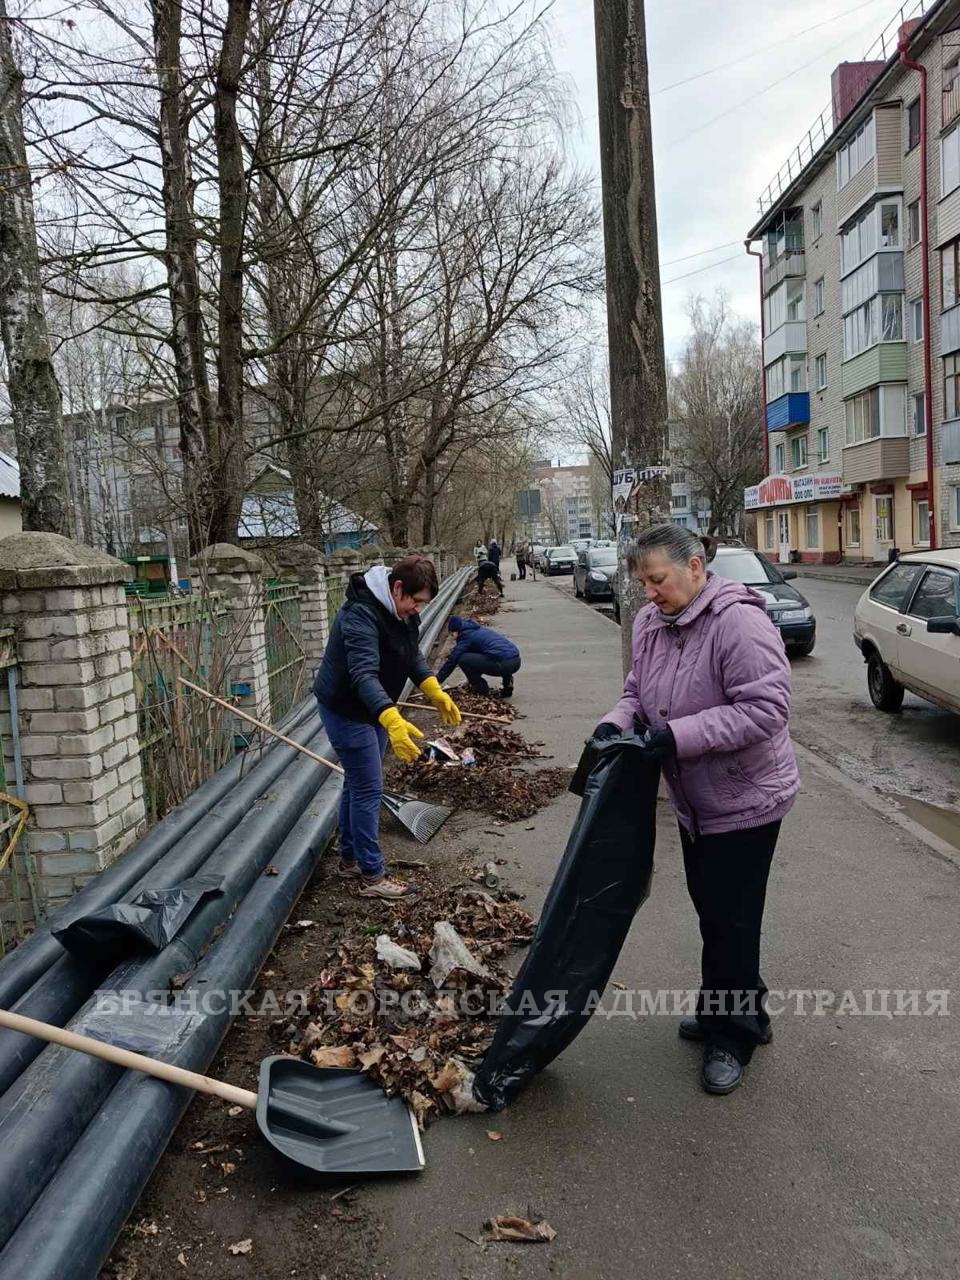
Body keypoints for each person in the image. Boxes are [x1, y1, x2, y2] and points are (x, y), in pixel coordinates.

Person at [593, 524, 799, 1096]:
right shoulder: (650, 623)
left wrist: (676, 736)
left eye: (657, 580)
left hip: (745, 799)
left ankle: (731, 1037)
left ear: (697, 568)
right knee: (714, 911)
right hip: (694, 800)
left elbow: (766, 710)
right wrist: (613, 726)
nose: (649, 593)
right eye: (643, 583)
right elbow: (637, 691)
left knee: (731, 920)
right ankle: (738, 1009)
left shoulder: (738, 621)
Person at [313, 555, 462, 899]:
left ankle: (350, 858)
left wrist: (432, 688)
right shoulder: (360, 616)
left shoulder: (400, 612)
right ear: (397, 589)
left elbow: (411, 655)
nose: (417, 610)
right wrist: (391, 717)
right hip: (347, 709)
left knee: (358, 782)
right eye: (416, 601)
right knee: (368, 789)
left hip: (373, 708)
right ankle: (372, 875)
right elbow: (362, 674)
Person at [437, 616, 521, 698]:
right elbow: (478, 659)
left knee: (462, 658)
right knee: (499, 654)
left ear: (456, 631)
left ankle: (482, 690)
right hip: (516, 661)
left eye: (452, 635)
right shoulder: (477, 630)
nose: (453, 638)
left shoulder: (466, 638)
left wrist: (438, 680)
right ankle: (507, 684)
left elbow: (452, 660)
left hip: (502, 665)